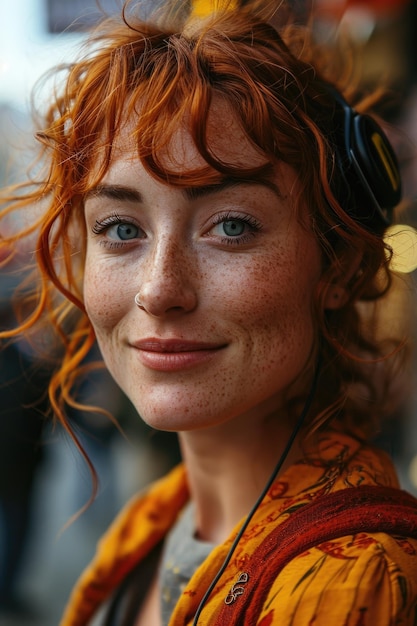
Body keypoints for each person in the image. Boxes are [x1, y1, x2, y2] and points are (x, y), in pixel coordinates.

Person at [1, 1, 417, 624]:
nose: (160, 289)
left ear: (339, 267)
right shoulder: (153, 523)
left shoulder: (352, 584)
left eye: (230, 225)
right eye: (119, 228)